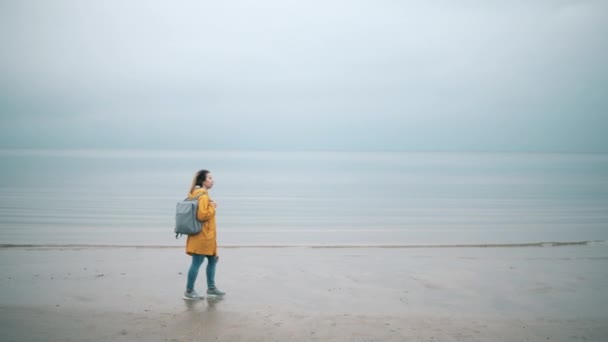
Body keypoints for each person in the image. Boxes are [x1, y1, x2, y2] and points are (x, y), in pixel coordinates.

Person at [183, 169, 226, 300]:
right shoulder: (203, 196)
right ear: (203, 181)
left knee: (212, 260)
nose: (212, 180)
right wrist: (212, 206)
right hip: (202, 236)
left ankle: (211, 288)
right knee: (197, 262)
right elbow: (202, 215)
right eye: (210, 178)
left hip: (205, 236)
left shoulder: (196, 194)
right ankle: (189, 291)